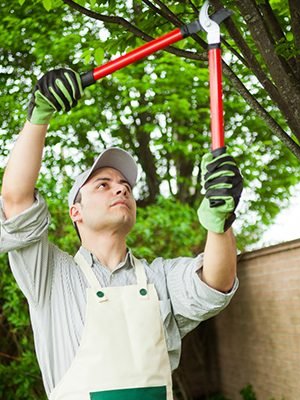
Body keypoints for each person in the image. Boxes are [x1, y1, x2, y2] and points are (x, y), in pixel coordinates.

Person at [0, 68, 243, 400]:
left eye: (126, 187)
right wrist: (39, 115)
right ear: (76, 211)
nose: (120, 190)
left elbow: (215, 283)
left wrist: (220, 223)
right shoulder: (51, 275)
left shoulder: (160, 277)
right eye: (104, 184)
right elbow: (16, 201)